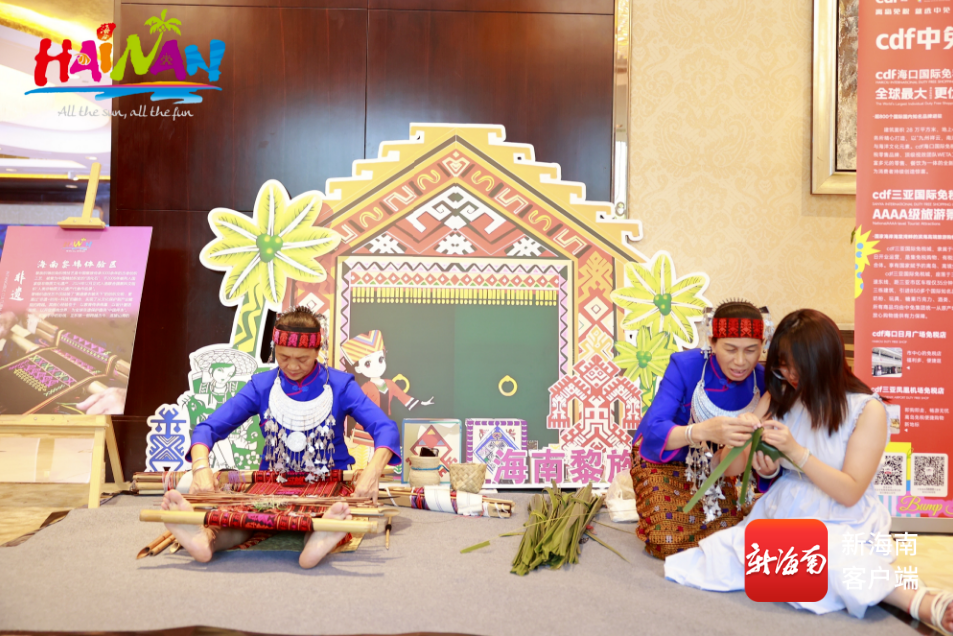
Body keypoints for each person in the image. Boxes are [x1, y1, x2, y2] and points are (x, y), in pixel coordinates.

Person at [664, 309, 953, 635]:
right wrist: (744, 443)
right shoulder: (779, 396)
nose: (789, 375)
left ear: (825, 360)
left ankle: (917, 600)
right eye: (782, 365)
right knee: (722, 555)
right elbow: (731, 468)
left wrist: (796, 453)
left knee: (832, 549)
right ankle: (846, 579)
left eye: (797, 366)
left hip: (843, 517)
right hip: (782, 513)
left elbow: (850, 492)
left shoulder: (866, 409)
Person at [162, 306, 401, 568]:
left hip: (328, 483)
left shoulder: (340, 385)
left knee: (330, 512)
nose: (292, 366)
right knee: (240, 518)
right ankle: (206, 540)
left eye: (302, 359)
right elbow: (208, 428)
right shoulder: (262, 385)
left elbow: (385, 428)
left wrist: (372, 472)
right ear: (274, 348)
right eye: (284, 357)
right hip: (272, 483)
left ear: (318, 351)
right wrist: (200, 468)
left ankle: (320, 535)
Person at [632, 299, 779, 558]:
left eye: (751, 350)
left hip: (721, 466)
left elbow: (762, 444)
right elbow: (654, 429)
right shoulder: (685, 366)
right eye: (730, 349)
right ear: (712, 341)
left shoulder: (762, 380)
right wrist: (702, 431)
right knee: (667, 542)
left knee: (735, 535)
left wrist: (766, 465)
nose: (741, 361)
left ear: (763, 345)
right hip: (667, 460)